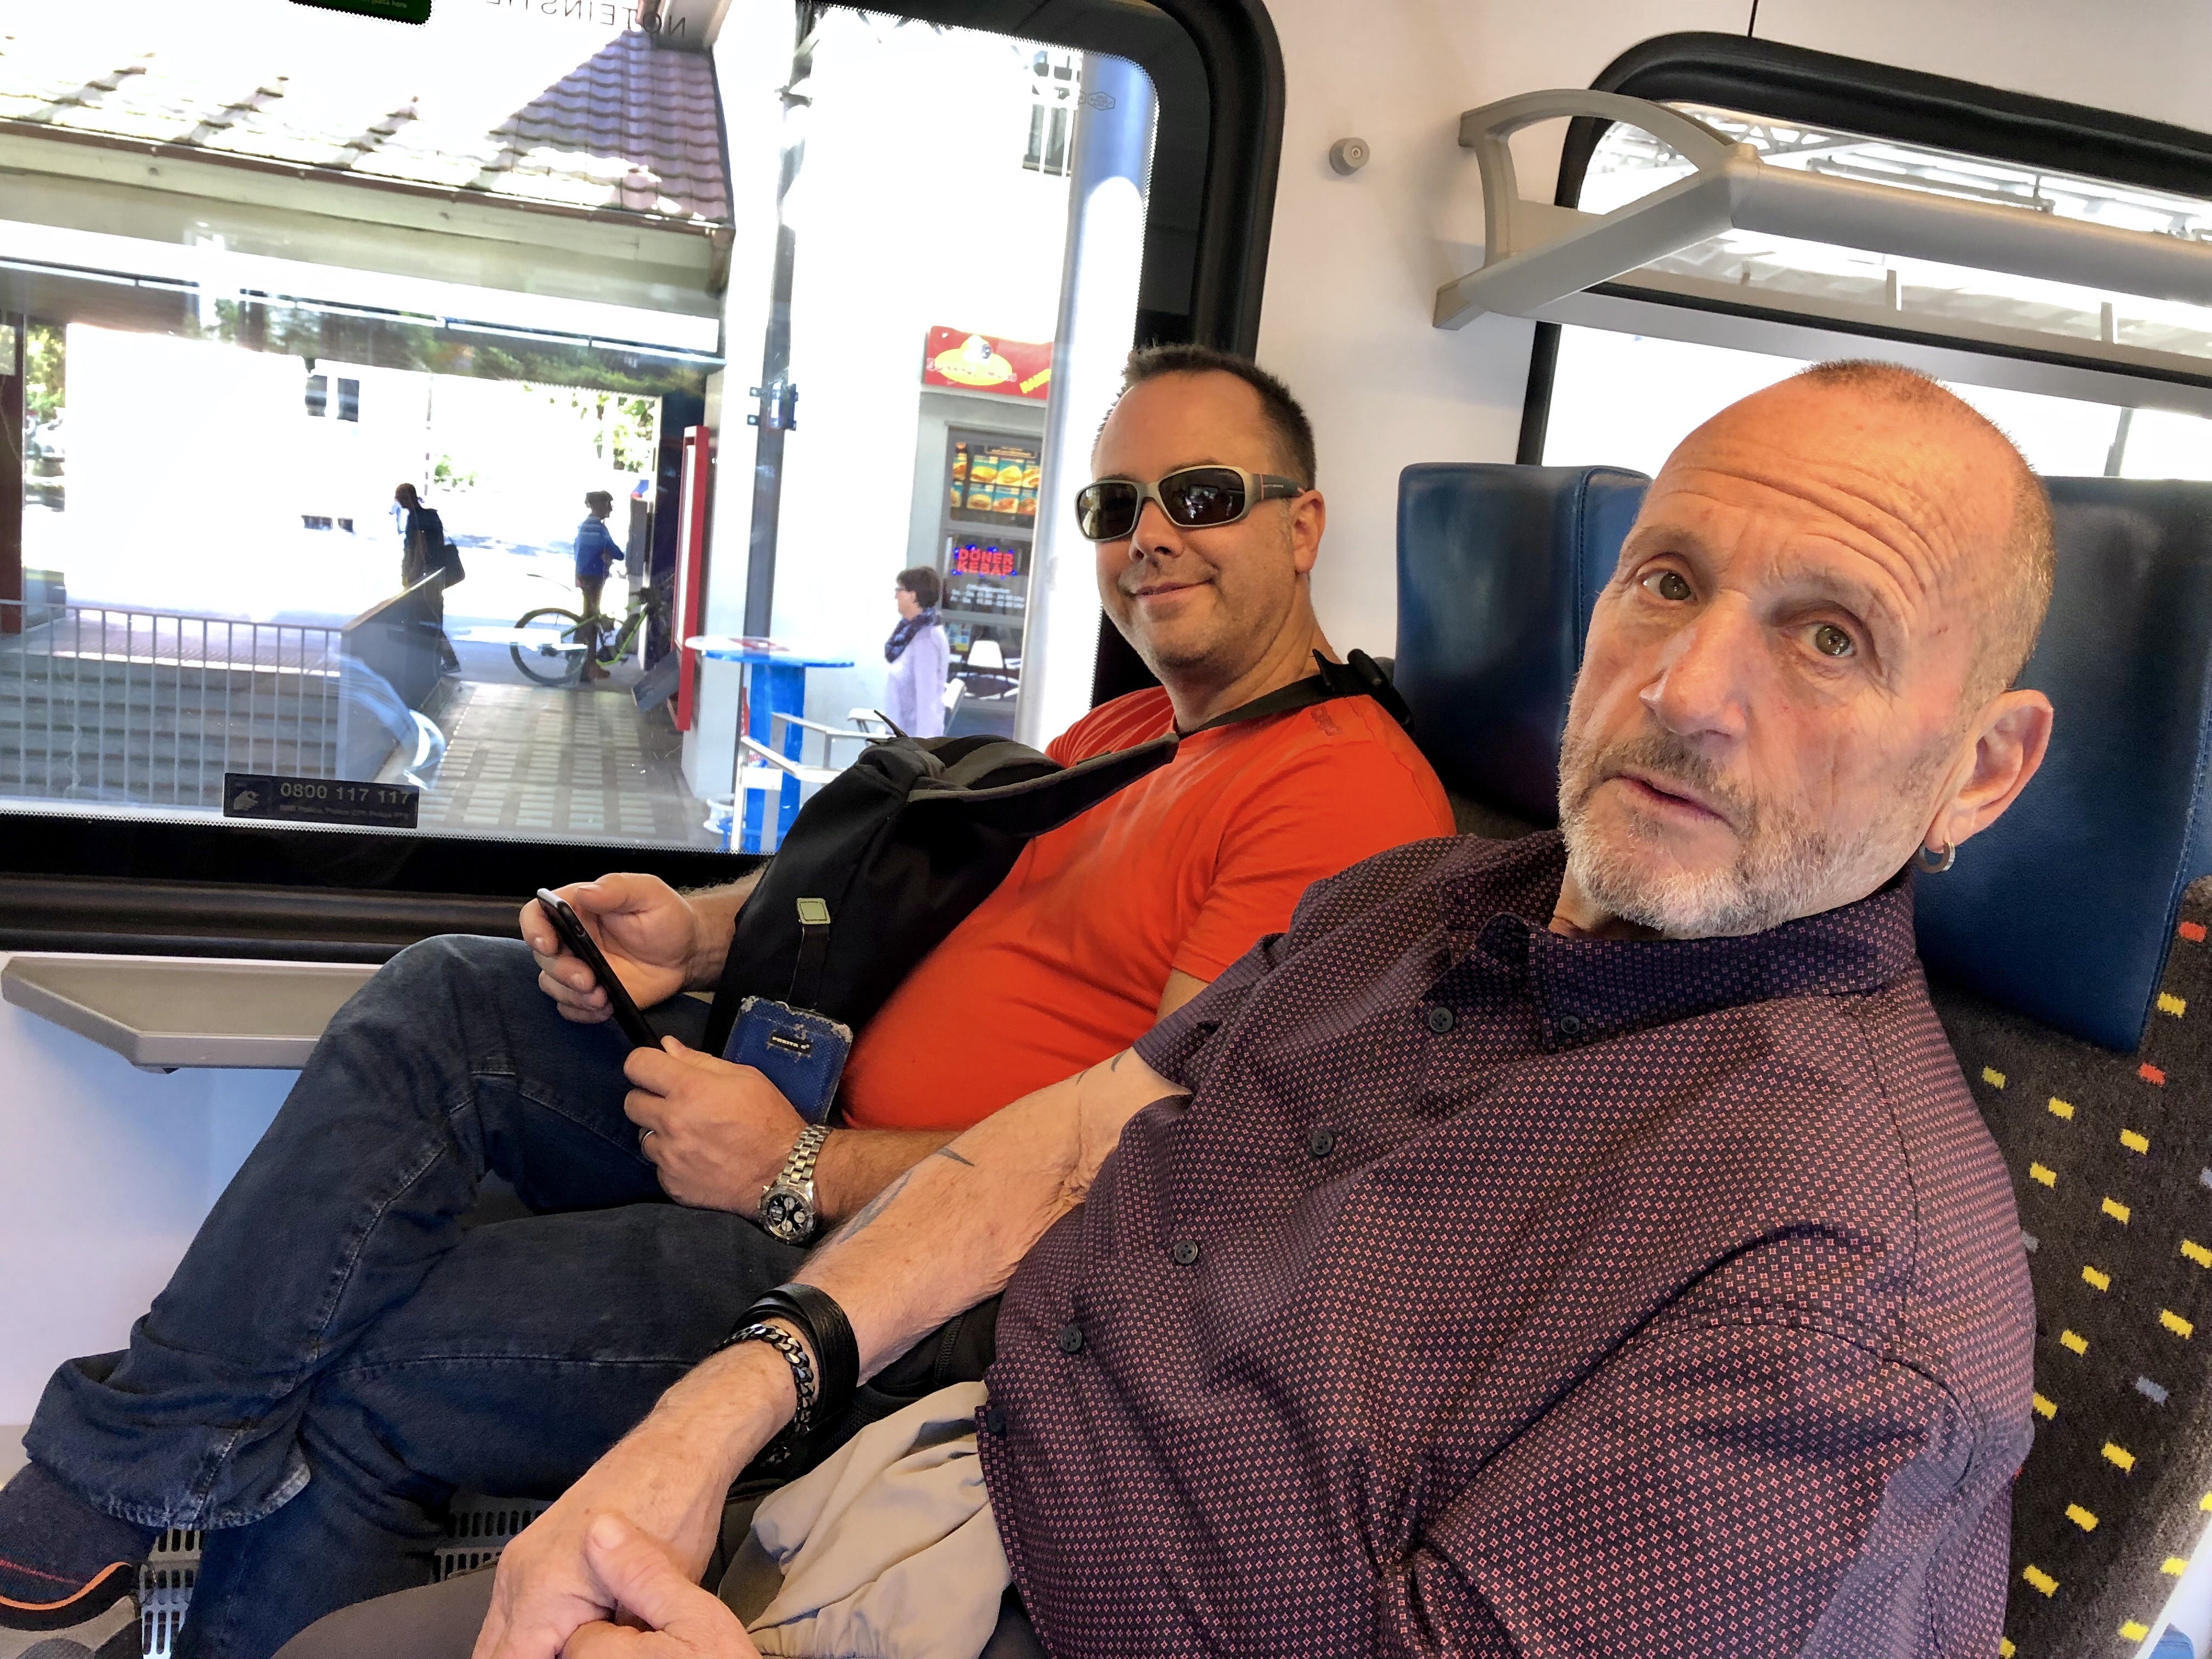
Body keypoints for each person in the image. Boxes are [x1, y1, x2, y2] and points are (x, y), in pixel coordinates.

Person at [308, 360, 2055, 1659]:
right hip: (939, 1467)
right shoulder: (1417, 902)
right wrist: (719, 1411)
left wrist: (792, 1180)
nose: (1687, 691)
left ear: (1982, 770)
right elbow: (1089, 1130)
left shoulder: (1845, 1295)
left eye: (1831, 639)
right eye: (1668, 581)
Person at [0, 347, 1456, 1657]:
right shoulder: (1136, 730)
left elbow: (1152, 1174)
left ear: (1301, 526)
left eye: (1201, 497)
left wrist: (798, 1168)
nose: (1149, 539)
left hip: (914, 1285)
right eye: (1115, 506)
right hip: (803, 1134)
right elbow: (922, 912)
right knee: (448, 995)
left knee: (374, 1359)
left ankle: (132, 1494)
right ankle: (117, 1475)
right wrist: (695, 940)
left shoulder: (1338, 796)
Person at [394, 482, 461, 673]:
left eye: (399, 497)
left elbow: (420, 548)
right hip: (435, 574)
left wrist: (413, 575)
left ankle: (447, 660)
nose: (398, 501)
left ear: (407, 498)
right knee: (431, 619)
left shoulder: (417, 518)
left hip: (423, 577)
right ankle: (441, 660)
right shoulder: (432, 516)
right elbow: (438, 543)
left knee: (423, 620)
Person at [882, 566, 951, 738]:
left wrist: (922, 747)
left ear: (913, 595)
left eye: (899, 590)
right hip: (901, 736)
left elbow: (927, 699)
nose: (896, 596)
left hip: (912, 739)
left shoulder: (926, 638)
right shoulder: (910, 632)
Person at [575, 490, 625, 684]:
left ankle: (587, 666)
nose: (610, 509)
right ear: (599, 506)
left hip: (586, 575)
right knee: (590, 622)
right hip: (594, 578)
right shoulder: (597, 529)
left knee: (590, 619)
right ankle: (586, 668)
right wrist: (608, 553)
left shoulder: (585, 525)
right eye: (608, 505)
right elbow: (618, 553)